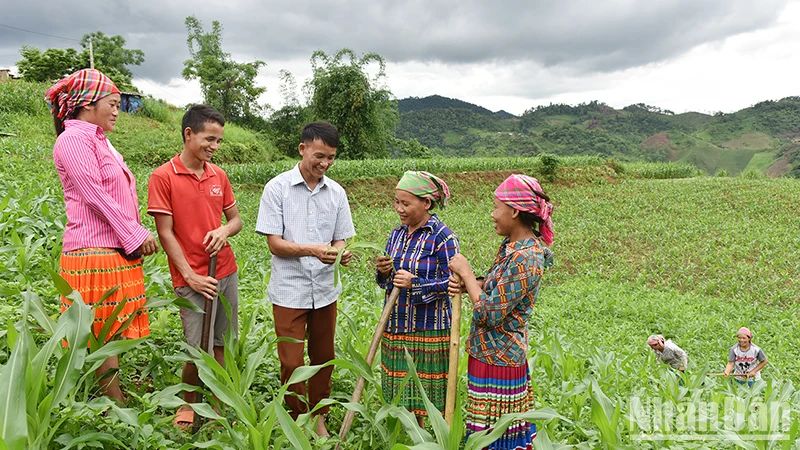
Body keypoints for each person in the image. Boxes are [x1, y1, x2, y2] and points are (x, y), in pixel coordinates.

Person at [46, 68, 159, 404]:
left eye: (118, 104)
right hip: (92, 250)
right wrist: (135, 234)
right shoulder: (72, 140)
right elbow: (94, 195)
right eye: (111, 103)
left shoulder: (99, 141)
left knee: (111, 328)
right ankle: (111, 401)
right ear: (87, 104)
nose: (116, 110)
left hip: (112, 249)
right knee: (103, 331)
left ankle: (110, 393)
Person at [255, 121, 355, 437]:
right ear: (303, 149)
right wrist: (312, 250)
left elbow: (341, 238)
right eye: (319, 155)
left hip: (325, 289)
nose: (324, 164)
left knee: (324, 357)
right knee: (292, 360)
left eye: (331, 158)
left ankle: (319, 416)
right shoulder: (276, 188)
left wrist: (339, 253)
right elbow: (275, 243)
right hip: (289, 289)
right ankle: (298, 417)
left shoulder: (336, 192)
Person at [147, 104, 242, 430]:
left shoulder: (219, 175)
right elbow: (165, 232)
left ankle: (216, 401)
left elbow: (236, 220)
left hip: (225, 270)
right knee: (195, 347)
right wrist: (189, 275)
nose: (214, 147)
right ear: (189, 134)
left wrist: (223, 230)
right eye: (209, 139)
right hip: (193, 277)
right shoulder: (163, 176)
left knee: (220, 343)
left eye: (218, 141)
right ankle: (189, 403)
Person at [447, 174, 554, 449]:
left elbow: (489, 312)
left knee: (497, 436)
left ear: (515, 210)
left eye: (496, 207)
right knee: (484, 430)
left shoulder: (526, 257)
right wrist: (475, 284)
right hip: (487, 354)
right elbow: (497, 289)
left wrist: (468, 275)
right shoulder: (511, 247)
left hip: (501, 359)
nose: (492, 214)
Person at [375, 171, 459, 427]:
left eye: (406, 203)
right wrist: (384, 271)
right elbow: (387, 283)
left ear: (426, 203)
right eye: (397, 202)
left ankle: (429, 437)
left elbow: (455, 283)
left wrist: (417, 284)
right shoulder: (397, 235)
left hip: (429, 327)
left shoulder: (442, 237)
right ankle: (408, 434)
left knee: (426, 392)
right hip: (396, 322)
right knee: (401, 392)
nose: (399, 209)